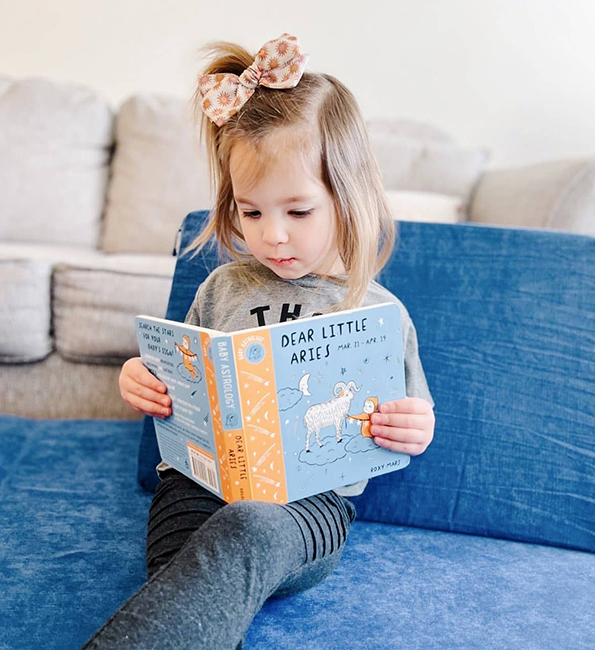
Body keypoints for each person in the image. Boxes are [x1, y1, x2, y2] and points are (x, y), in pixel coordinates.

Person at [81, 32, 436, 650]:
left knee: (247, 532)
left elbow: (414, 414)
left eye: (298, 212)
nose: (272, 237)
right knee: (185, 580)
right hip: (197, 486)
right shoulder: (223, 287)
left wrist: (414, 427)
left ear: (348, 200)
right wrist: (142, 379)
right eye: (251, 212)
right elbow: (181, 376)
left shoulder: (378, 311)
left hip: (307, 510)